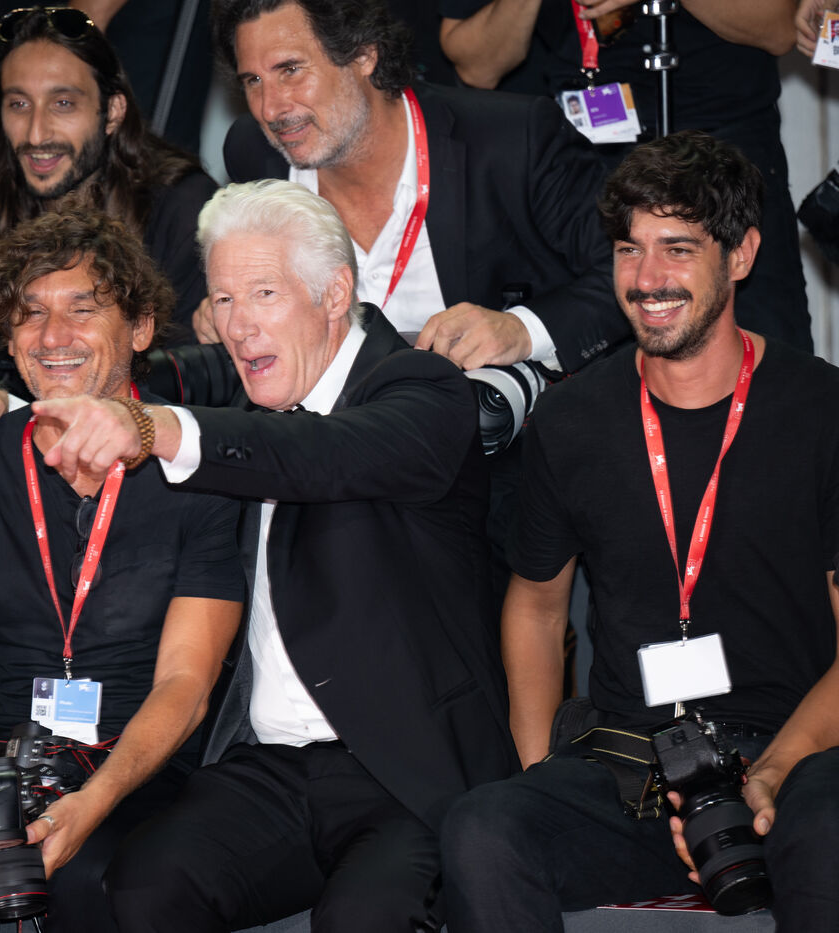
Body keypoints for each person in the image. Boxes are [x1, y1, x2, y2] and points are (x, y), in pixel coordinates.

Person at [0, 179, 518, 930]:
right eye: (223, 300)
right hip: (266, 768)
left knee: (366, 919)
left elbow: (319, 455)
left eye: (263, 294)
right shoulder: (247, 381)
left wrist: (155, 429)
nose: (238, 325)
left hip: (407, 770)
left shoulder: (422, 389)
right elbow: (91, 360)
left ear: (335, 293)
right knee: (142, 887)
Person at [439, 131, 839, 933]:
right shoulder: (571, 419)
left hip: (795, 757)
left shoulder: (822, 410)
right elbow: (537, 607)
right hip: (633, 765)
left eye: (677, 248)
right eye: (630, 249)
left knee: (829, 834)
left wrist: (771, 773)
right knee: (484, 828)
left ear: (740, 254)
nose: (648, 278)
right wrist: (538, 767)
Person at [0, 208, 245, 933]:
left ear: (140, 329)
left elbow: (186, 684)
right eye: (30, 314)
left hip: (142, 763)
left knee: (96, 882)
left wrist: (94, 800)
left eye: (83, 309)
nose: (53, 337)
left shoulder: (194, 466)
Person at [205, 0, 627, 376]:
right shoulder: (255, 153)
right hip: (327, 425)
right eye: (253, 81)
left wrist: (522, 328)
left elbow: (632, 271)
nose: (271, 108)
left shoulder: (511, 141)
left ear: (364, 55)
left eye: (290, 70)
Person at [0, 4, 217, 439]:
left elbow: (192, 387)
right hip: (24, 408)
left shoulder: (182, 207)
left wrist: (16, 405)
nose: (36, 134)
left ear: (112, 112)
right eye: (18, 104)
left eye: (63, 103)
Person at [438, 0, 811, 352]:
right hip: (585, 153)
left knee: (760, 346)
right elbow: (477, 66)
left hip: (721, 152)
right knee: (605, 344)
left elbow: (779, 30)